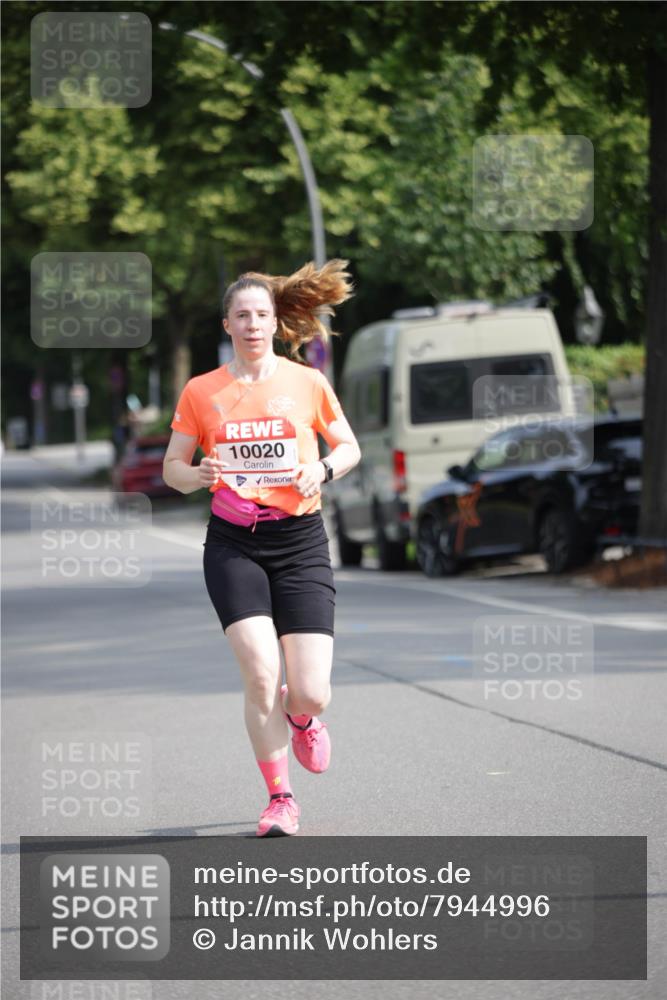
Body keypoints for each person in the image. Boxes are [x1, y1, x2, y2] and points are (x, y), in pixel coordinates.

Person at [163, 260, 361, 837]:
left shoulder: (306, 383)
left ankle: (300, 715)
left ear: (276, 324)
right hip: (233, 544)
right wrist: (196, 474)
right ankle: (280, 798)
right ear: (227, 324)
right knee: (258, 673)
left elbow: (348, 447)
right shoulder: (203, 391)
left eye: (262, 315)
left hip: (299, 541)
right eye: (242, 315)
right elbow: (173, 468)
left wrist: (320, 469)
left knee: (312, 690)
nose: (253, 325)